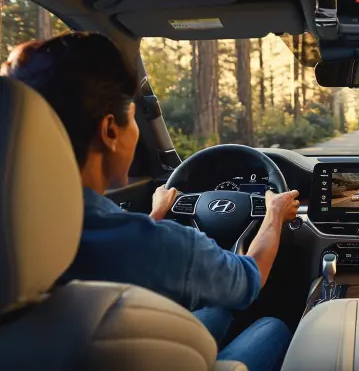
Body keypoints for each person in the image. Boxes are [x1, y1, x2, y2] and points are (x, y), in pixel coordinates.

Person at [1, 32, 297, 371]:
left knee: (217, 308)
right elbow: (249, 279)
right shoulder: (165, 247)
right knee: (273, 326)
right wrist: (273, 214)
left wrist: (155, 214)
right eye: (132, 114)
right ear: (110, 130)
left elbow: (118, 245)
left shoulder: (21, 237)